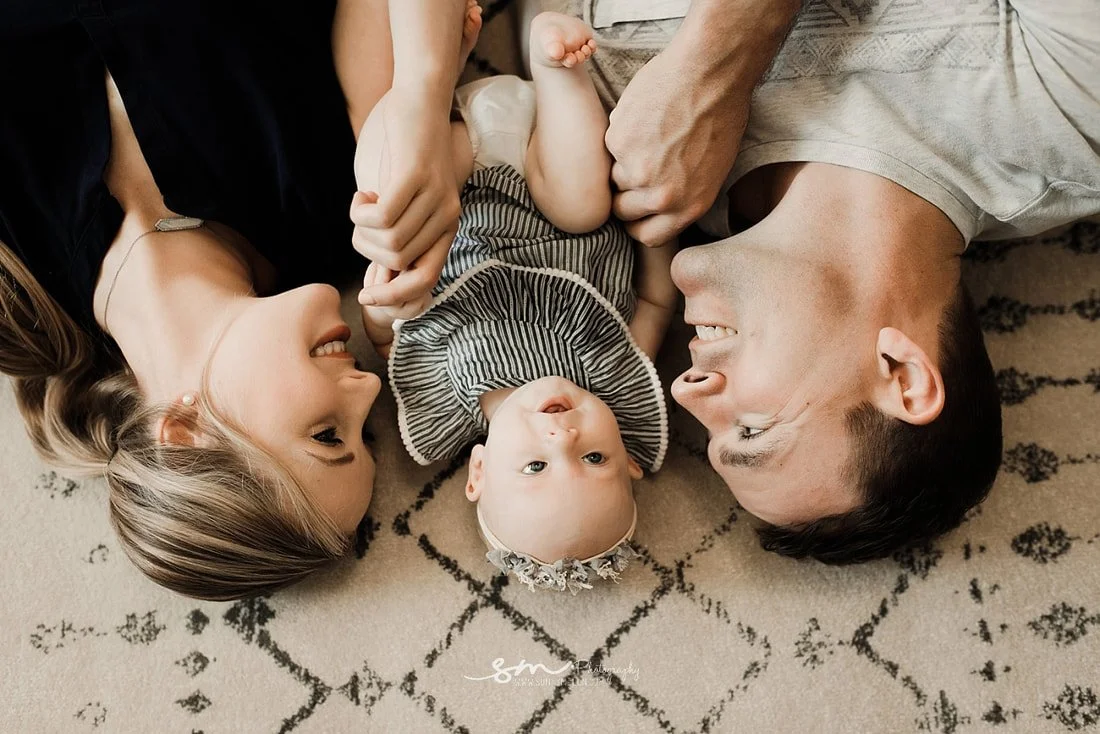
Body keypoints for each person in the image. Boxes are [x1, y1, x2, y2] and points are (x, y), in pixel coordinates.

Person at [519, 0, 1100, 561]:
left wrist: (424, 90)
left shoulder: (605, 176)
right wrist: (717, 63)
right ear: (902, 375)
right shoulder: (1068, 116)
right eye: (750, 431)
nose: (684, 390)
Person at [0, 0, 469, 599]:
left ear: (184, 427)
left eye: (328, 435)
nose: (372, 389)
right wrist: (421, 96)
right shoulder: (342, 206)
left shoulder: (17, 309)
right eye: (364, 434)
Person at [359, 11, 676, 592]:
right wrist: (656, 229)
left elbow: (388, 336)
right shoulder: (617, 376)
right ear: (629, 457)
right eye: (595, 461)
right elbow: (656, 302)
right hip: (549, 159)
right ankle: (556, 70)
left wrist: (389, 299)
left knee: (382, 185)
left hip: (451, 171)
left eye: (535, 467)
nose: (563, 441)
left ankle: (432, 80)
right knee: (585, 206)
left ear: (478, 470)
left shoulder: (445, 407)